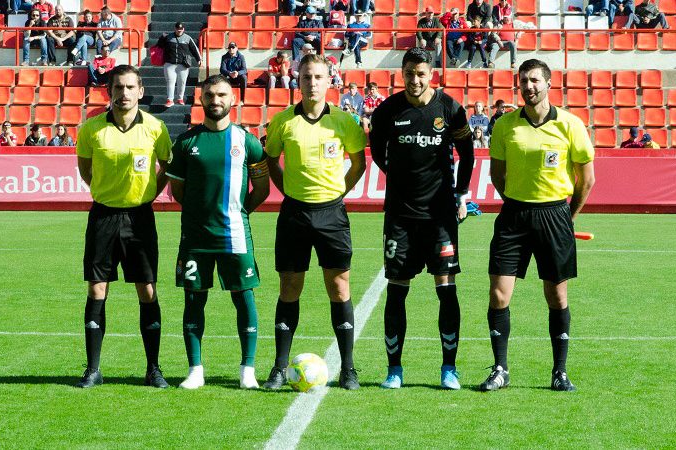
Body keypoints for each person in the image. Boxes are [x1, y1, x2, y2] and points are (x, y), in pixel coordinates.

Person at [481, 58, 595, 393]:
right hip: (514, 216)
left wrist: (566, 217)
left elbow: (586, 179)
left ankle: (559, 372)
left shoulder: (570, 125)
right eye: (523, 82)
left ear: (548, 83)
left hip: (555, 215)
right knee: (499, 294)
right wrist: (516, 199)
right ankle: (500, 369)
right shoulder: (505, 126)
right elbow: (497, 175)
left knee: (556, 295)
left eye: (534, 81)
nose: (528, 87)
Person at [369, 47, 475, 390]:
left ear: (431, 75)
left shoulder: (450, 109)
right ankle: (394, 370)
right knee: (398, 291)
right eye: (409, 74)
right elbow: (378, 152)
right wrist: (399, 178)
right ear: (401, 74)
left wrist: (460, 193)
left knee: (445, 289)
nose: (415, 80)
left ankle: (449, 369)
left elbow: (468, 154)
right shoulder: (388, 110)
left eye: (421, 74)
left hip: (440, 216)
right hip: (400, 216)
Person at [261, 53, 368, 390]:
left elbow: (358, 164)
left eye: (318, 77)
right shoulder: (282, 122)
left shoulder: (344, 122)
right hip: (294, 213)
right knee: (290, 287)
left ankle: (348, 368)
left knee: (339, 287)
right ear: (297, 79)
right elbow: (270, 161)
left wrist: (339, 192)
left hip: (332, 213)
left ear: (329, 81)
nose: (312, 83)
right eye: (306, 77)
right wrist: (286, 189)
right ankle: (279, 367)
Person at [166, 75, 271, 390]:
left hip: (235, 235)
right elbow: (178, 190)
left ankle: (247, 370)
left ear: (233, 99)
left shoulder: (247, 141)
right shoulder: (186, 142)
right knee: (194, 300)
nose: (215, 100)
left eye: (221, 94)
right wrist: (202, 213)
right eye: (209, 94)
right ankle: (195, 369)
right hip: (196, 237)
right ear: (201, 99)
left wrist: (237, 213)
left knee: (244, 298)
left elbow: (262, 189)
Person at [74, 65, 173, 389]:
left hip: (140, 218)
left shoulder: (156, 128)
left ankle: (153, 369)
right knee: (97, 289)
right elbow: (85, 170)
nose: (124, 93)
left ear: (141, 91)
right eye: (118, 87)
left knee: (147, 289)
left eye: (131, 87)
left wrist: (148, 195)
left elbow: (168, 168)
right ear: (110, 91)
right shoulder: (91, 129)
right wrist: (106, 192)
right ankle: (92, 369)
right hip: (103, 216)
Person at [158, 22, 201, 108]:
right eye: (178, 30)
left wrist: (199, 59)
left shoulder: (188, 38)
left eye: (181, 30)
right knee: (170, 81)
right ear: (175, 29)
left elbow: (194, 49)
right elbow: (159, 46)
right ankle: (170, 100)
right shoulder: (168, 37)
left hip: (183, 64)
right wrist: (161, 38)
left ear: (183, 29)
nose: (179, 31)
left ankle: (180, 98)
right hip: (170, 64)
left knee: (182, 82)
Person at [220, 41, 247, 106]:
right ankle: (223, 100)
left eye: (233, 47)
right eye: (229, 48)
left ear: (237, 48)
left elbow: (244, 69)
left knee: (244, 77)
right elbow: (222, 69)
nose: (231, 49)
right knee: (221, 77)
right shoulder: (224, 57)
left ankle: (242, 99)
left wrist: (237, 73)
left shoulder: (241, 57)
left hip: (238, 77)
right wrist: (229, 73)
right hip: (229, 77)